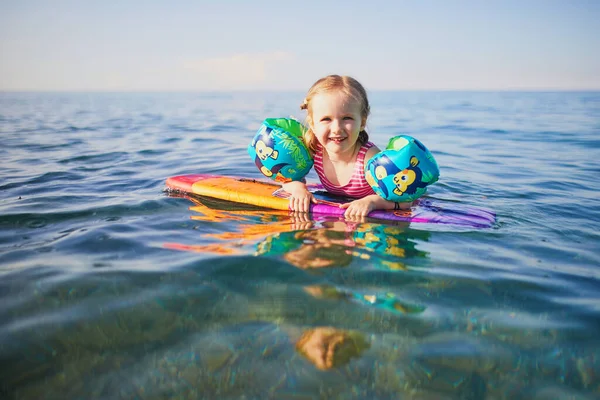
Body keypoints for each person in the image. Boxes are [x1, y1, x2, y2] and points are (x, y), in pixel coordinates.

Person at [282, 75, 412, 218]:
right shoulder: (315, 150)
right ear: (312, 124)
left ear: (362, 122)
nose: (337, 128)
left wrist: (372, 201)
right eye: (326, 119)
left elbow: (405, 201)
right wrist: (299, 189)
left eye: (347, 118)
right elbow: (286, 179)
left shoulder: (370, 161)